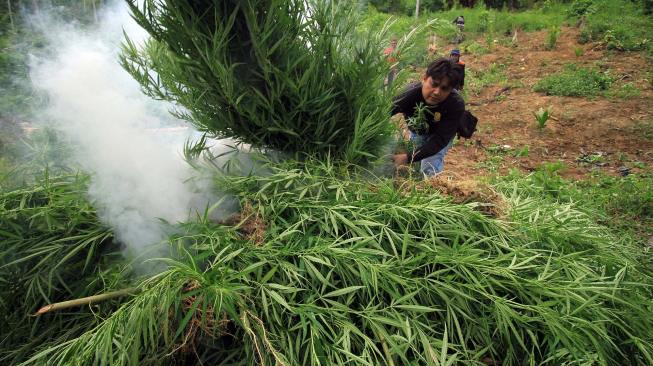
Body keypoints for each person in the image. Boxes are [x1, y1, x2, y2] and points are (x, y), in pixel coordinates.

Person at [391, 58, 465, 177]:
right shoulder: (408, 94)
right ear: (424, 78)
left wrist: (408, 157)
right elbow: (384, 113)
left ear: (451, 90)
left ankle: (430, 188)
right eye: (434, 84)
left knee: (429, 166)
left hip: (439, 134)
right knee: (415, 157)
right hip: (417, 131)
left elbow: (439, 140)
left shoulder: (455, 104)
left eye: (444, 88)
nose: (437, 92)